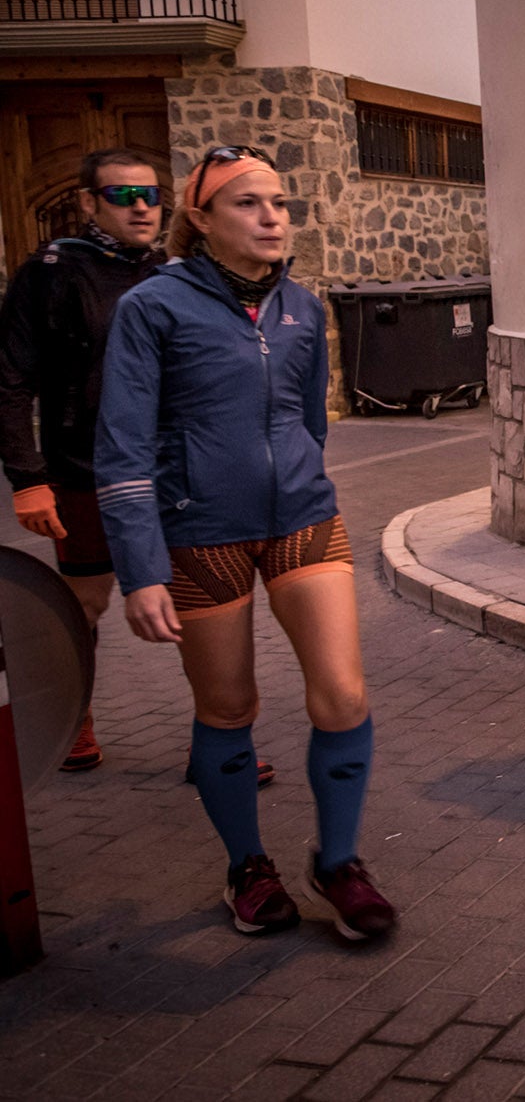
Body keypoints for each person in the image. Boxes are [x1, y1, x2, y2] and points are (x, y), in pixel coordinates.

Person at [96, 145, 393, 940]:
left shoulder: (303, 307)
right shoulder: (152, 307)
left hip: (302, 519)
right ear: (202, 218)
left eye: (281, 204)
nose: (272, 218)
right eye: (248, 203)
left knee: (345, 695)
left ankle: (338, 861)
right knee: (228, 705)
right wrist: (140, 569)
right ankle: (247, 869)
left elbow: (309, 420)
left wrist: (299, 475)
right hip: (200, 533)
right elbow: (121, 443)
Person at [0, 149, 166, 772]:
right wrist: (27, 479)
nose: (143, 207)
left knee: (201, 600)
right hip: (83, 470)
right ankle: (72, 721)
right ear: (89, 203)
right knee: (82, 606)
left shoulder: (171, 272)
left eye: (151, 196)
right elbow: (10, 380)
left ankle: (221, 729)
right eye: (124, 197)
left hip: (166, 471)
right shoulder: (49, 274)